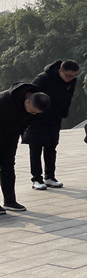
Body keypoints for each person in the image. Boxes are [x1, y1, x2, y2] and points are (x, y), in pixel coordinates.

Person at [23, 60, 79, 191]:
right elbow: (30, 97)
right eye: (68, 76)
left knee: (51, 147)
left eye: (73, 76)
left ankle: (50, 177)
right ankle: (36, 179)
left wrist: (63, 114)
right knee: (35, 149)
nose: (70, 79)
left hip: (54, 119)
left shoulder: (72, 81)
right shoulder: (43, 79)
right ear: (60, 70)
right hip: (37, 118)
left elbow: (68, 99)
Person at [0, 83, 51, 213]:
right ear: (26, 102)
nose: (33, 114)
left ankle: (10, 201)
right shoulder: (5, 100)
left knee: (8, 165)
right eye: (32, 112)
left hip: (11, 135)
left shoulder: (37, 100)